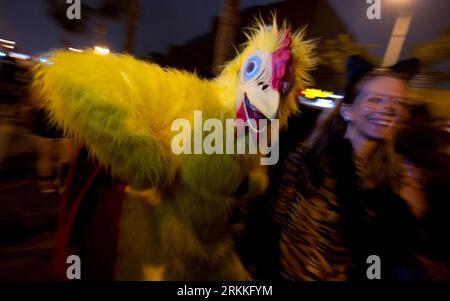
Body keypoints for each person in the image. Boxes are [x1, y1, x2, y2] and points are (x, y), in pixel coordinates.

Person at [271, 55, 421, 280]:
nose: (389, 109)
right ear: (347, 110)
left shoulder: (397, 177)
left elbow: (382, 257)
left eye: (397, 102)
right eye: (376, 99)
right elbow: (276, 218)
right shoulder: (309, 155)